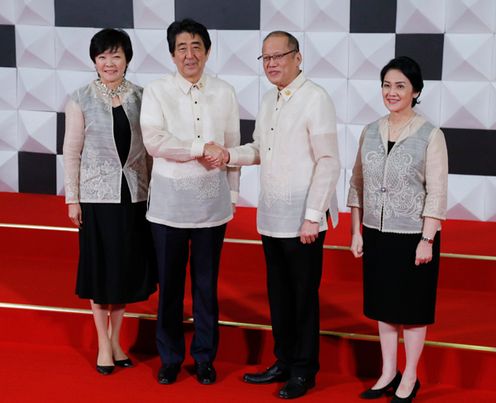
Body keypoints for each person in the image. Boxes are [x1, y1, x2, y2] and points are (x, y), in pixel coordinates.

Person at [209, 31, 340, 399]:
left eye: (278, 56)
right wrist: (229, 154)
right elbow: (259, 149)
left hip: (303, 218)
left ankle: (304, 370)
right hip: (272, 216)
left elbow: (329, 161)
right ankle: (283, 360)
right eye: (265, 58)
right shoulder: (269, 99)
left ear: (298, 57)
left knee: (303, 296)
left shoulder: (316, 99)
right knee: (279, 294)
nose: (271, 64)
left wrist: (313, 215)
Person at [140, 19, 240, 385]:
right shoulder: (157, 91)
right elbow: (155, 142)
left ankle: (204, 357)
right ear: (172, 54)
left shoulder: (225, 91)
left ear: (208, 51)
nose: (190, 54)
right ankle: (169, 356)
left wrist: (231, 195)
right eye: (182, 47)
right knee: (170, 285)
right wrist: (199, 148)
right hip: (168, 207)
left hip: (212, 207)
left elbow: (231, 144)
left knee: (205, 286)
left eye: (197, 46)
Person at [347, 56, 448, 402]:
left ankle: (410, 375)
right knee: (383, 307)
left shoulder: (430, 135)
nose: (391, 92)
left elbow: (437, 191)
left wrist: (427, 239)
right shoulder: (370, 130)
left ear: (415, 91)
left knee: (412, 309)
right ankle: (388, 371)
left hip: (413, 237)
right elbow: (357, 182)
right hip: (376, 232)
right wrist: (356, 230)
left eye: (400, 86)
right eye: (387, 85)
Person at [63, 28, 156, 375]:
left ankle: (117, 340)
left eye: (115, 55)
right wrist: (73, 199)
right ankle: (103, 343)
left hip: (134, 195)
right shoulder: (80, 98)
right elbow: (71, 152)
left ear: (127, 59)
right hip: (96, 196)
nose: (109, 63)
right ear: (94, 61)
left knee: (123, 271)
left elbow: (148, 151)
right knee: (100, 271)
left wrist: (153, 193)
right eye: (102, 57)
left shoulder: (142, 97)